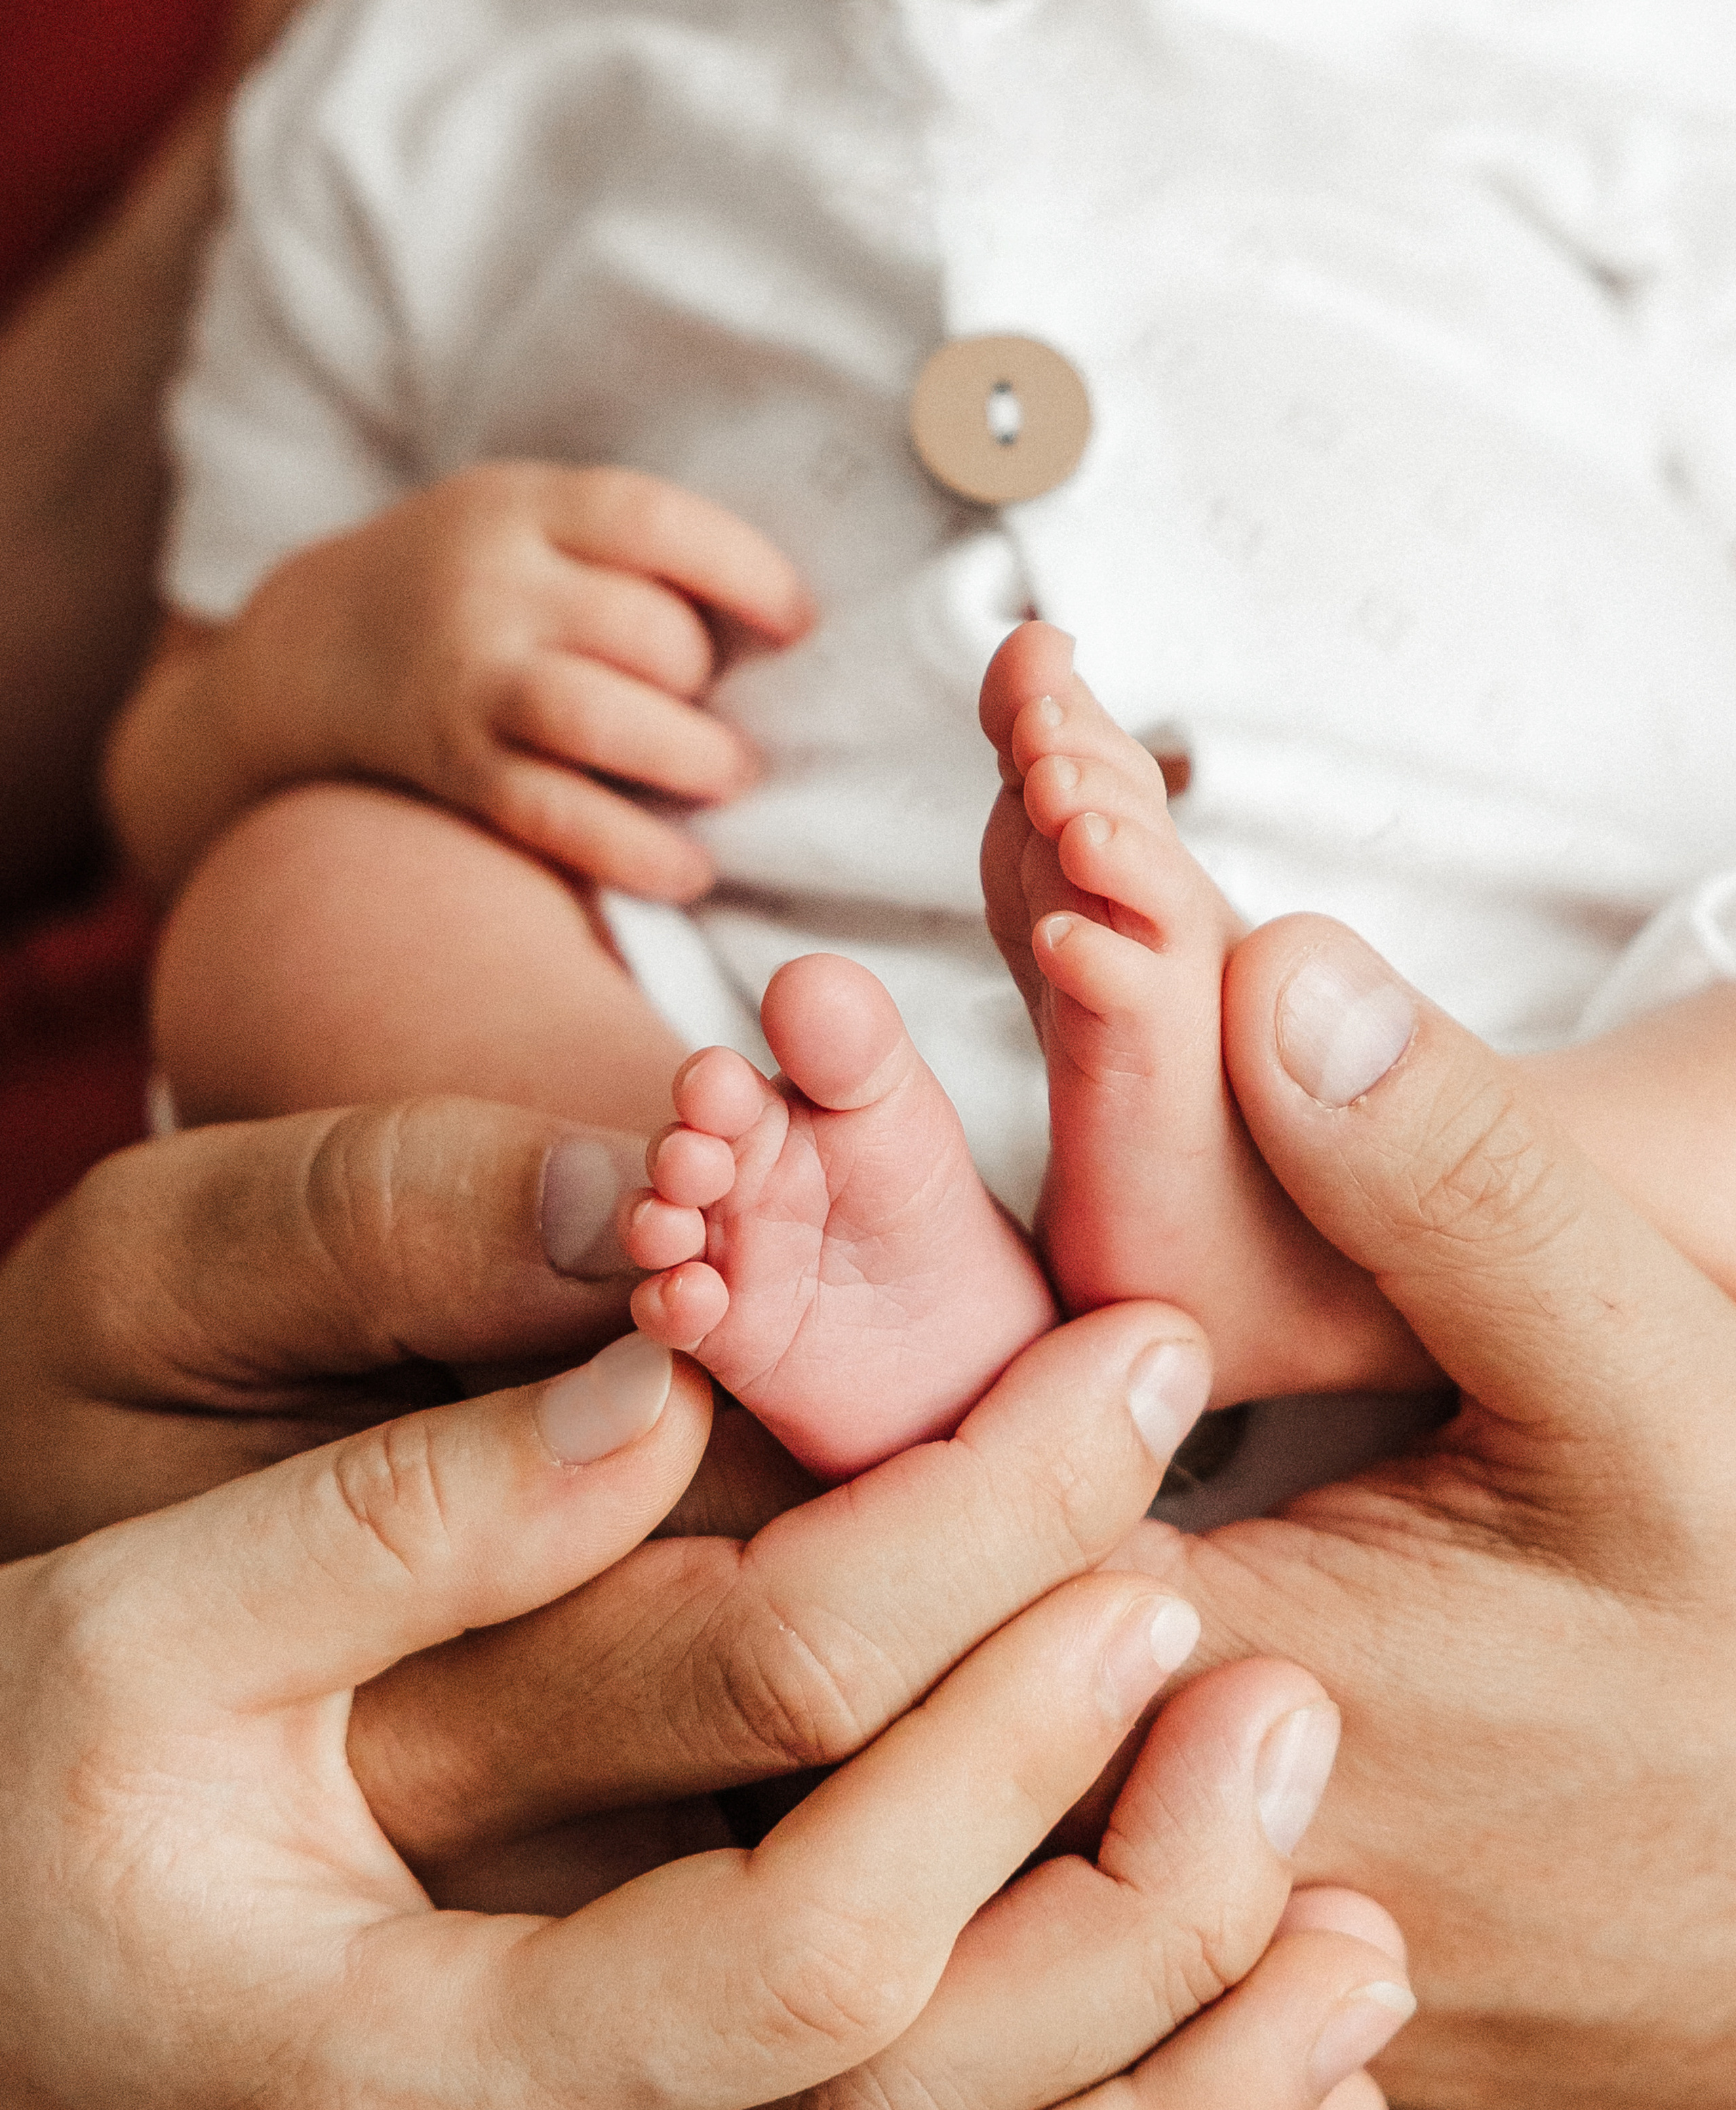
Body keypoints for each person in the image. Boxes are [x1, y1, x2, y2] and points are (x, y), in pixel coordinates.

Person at [11, 936, 1736, 2110]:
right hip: (242, 1759)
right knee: (327, 896)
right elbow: (221, 805)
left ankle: (1196, 1272)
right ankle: (747, 1243)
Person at [106, 0, 1736, 1467]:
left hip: (1549, 1040)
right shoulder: (413, 74)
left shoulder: (1608, 45)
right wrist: (329, 652)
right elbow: (176, 760)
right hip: (732, 1019)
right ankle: (776, 1238)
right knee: (293, 894)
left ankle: (1323, 1262)